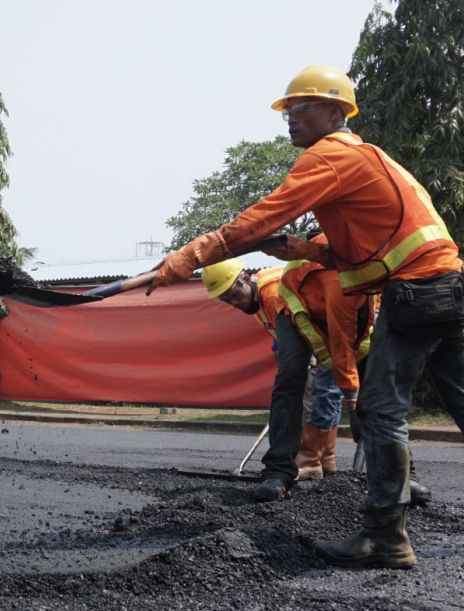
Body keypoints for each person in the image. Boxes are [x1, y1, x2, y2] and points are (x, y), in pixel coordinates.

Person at [149, 65, 462, 569]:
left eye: (303, 108)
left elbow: (260, 217)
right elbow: (358, 257)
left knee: (378, 413)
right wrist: (299, 247)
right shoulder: (369, 158)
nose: (290, 119)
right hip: (448, 284)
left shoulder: (330, 156)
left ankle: (385, 537)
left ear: (337, 111)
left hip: (417, 292)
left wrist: (186, 258)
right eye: (287, 111)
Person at [201, 257, 370, 499]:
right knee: (299, 386)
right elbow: (282, 334)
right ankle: (320, 461)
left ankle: (313, 459)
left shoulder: (270, 292)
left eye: (233, 293)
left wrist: (309, 351)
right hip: (311, 327)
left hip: (336, 324)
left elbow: (303, 317)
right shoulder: (255, 301)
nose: (232, 302)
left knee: (325, 389)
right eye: (225, 299)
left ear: (245, 279)